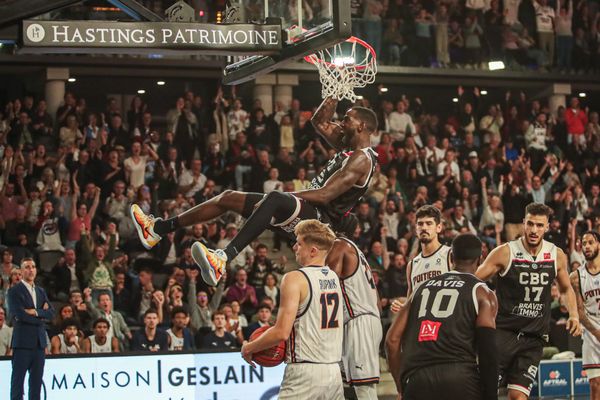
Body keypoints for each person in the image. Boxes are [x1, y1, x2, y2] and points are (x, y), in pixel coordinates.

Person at [130, 97, 379, 286]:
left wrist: (288, 198)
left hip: (321, 220)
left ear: (362, 126)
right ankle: (158, 229)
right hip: (309, 210)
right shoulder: (346, 145)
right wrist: (334, 89)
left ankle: (223, 259)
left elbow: (325, 195)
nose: (342, 121)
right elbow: (319, 121)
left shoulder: (361, 159)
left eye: (347, 119)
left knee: (276, 198)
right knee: (227, 197)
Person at [476, 203, 581, 399]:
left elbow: (566, 289)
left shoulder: (556, 255)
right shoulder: (505, 252)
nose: (534, 230)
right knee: (486, 392)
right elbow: (473, 282)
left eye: (539, 225)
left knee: (518, 396)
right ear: (523, 223)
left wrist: (574, 315)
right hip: (502, 333)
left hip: (534, 338)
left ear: (547, 227)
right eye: (530, 224)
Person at [386, 234, 498, 400]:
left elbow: (392, 340)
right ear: (480, 259)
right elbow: (488, 352)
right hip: (460, 378)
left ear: (451, 257)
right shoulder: (482, 293)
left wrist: (401, 386)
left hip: (418, 379)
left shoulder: (421, 289)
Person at [241, 220, 344, 399]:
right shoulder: (334, 277)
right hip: (333, 372)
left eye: (300, 243)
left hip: (305, 372)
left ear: (313, 251)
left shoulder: (294, 278)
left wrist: (249, 348)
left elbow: (281, 333)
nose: (295, 246)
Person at [325, 236, 381, 399]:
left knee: (364, 389)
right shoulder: (357, 252)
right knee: (340, 385)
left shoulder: (338, 245)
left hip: (359, 321)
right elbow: (378, 301)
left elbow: (325, 285)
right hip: (365, 319)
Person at [8, 258, 55, 400]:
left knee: (36, 385)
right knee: (18, 384)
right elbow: (20, 315)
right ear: (21, 271)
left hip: (39, 344)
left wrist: (35, 312)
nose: (31, 269)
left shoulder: (41, 291)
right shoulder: (14, 291)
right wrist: (41, 316)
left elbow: (51, 313)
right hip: (22, 343)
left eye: (33, 267)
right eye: (27, 267)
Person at [570, 231, 600, 399]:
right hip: (592, 332)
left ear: (599, 245)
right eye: (584, 243)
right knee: (595, 384)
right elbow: (579, 312)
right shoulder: (576, 277)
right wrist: (597, 333)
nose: (586, 246)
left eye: (591, 242)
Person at [406, 205, 452, 297]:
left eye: (429, 223)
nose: (424, 228)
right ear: (416, 229)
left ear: (438, 227)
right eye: (420, 224)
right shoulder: (412, 265)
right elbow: (410, 302)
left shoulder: (450, 254)